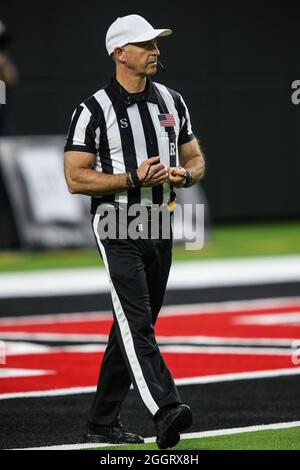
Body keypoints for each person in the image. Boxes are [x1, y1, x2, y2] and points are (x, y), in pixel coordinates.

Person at [64, 14, 205, 449]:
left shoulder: (172, 101)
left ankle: (102, 420)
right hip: (116, 222)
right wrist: (131, 179)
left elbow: (196, 160)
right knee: (138, 322)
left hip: (160, 220)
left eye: (156, 44)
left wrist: (183, 175)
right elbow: (75, 177)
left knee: (130, 324)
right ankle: (166, 408)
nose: (156, 51)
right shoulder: (92, 110)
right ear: (119, 53)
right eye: (146, 45)